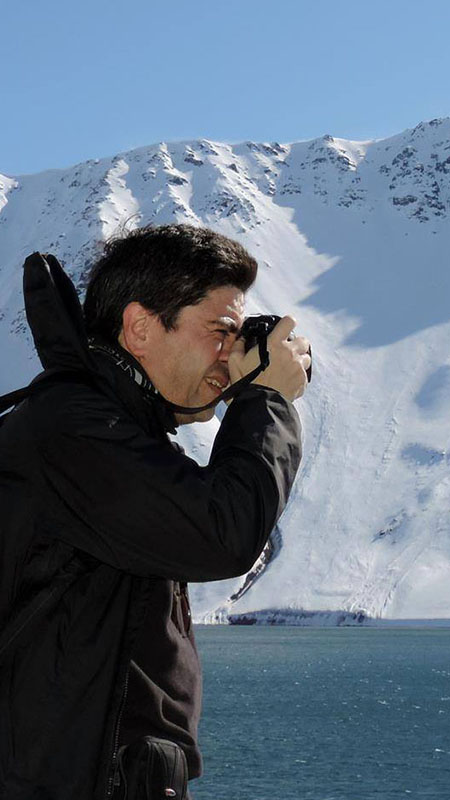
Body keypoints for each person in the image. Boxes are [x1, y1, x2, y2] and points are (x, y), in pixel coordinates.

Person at [0, 224, 311, 799]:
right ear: (140, 327)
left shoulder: (99, 432)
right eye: (220, 332)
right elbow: (224, 533)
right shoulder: (71, 434)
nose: (231, 357)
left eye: (239, 337)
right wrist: (265, 399)